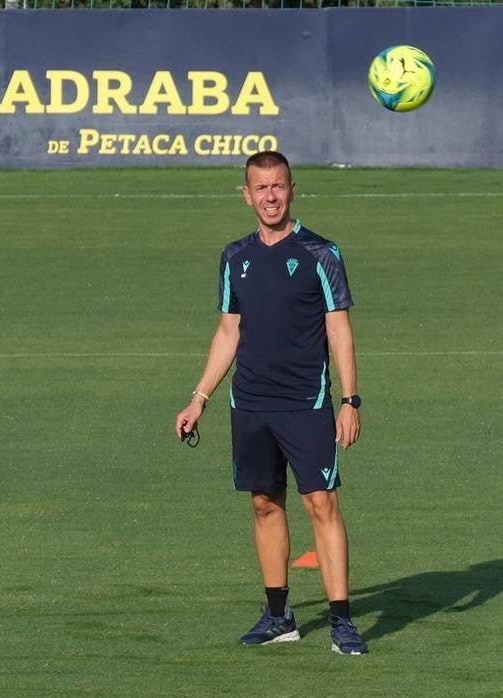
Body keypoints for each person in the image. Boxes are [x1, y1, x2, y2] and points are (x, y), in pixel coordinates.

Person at [174, 150, 367, 656]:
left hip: (307, 402)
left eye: (277, 186)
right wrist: (199, 398)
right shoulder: (234, 257)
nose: (270, 196)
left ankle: (342, 620)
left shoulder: (321, 253)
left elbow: (339, 328)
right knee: (264, 503)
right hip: (251, 403)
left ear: (292, 188)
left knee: (321, 503)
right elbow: (228, 331)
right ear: (246, 194)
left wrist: (350, 399)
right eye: (260, 188)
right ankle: (279, 615)